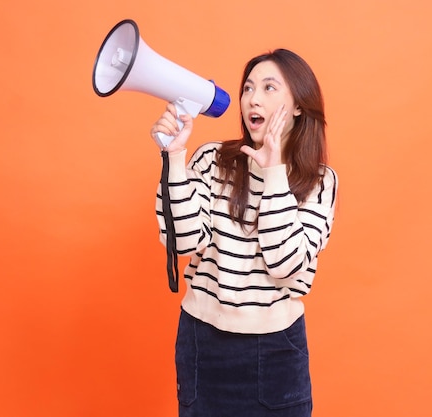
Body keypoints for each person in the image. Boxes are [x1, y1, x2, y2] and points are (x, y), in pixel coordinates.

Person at [150, 48, 338, 417]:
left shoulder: (319, 182)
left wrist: (274, 174)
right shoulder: (212, 159)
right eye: (248, 88)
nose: (253, 98)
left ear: (298, 105)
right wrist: (174, 156)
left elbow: (285, 265)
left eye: (269, 88)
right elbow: (184, 240)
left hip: (276, 354)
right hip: (203, 343)